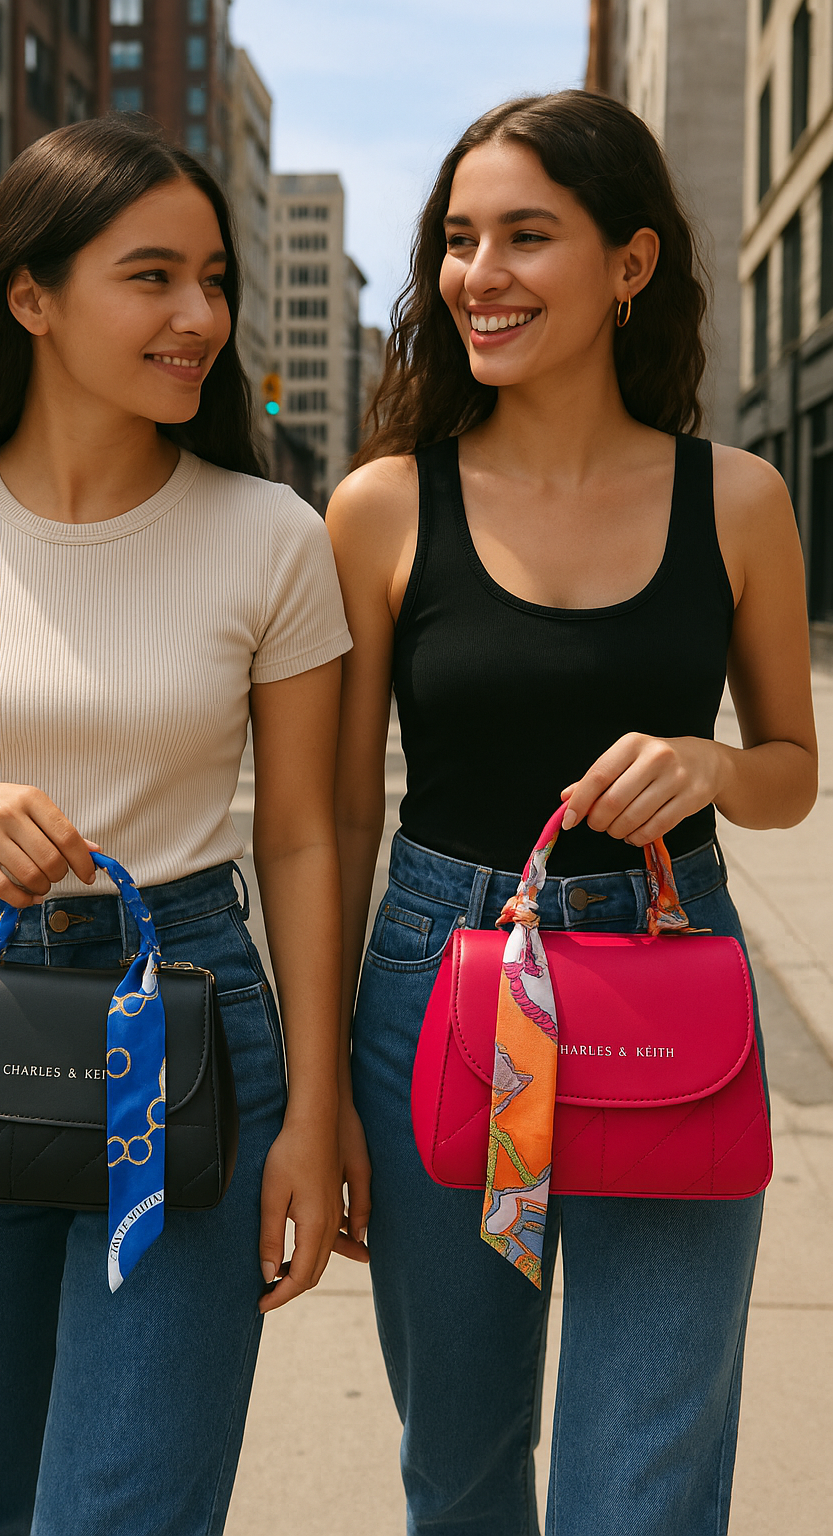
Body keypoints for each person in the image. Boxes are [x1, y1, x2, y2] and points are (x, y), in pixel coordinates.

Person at [0, 117, 358, 1536]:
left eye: (215, 279)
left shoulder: (270, 535)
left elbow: (301, 836)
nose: (200, 317)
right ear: (32, 295)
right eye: (154, 276)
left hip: (180, 1020)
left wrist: (313, 1107)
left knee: (122, 1512)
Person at [328, 91, 818, 1536]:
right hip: (441, 985)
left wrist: (716, 766)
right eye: (459, 240)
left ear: (630, 265)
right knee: (463, 1466)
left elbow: (792, 764)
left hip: (669, 979)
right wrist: (318, 1090)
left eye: (528, 235)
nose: (480, 274)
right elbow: (341, 813)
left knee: (642, 1484)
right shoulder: (379, 508)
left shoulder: (739, 501)